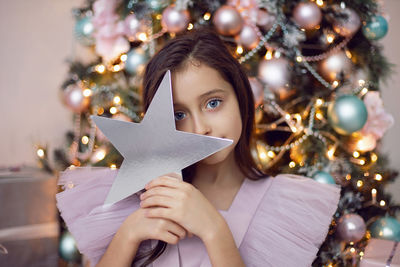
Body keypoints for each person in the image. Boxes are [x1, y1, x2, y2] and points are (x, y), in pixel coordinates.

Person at [56, 29, 340, 267]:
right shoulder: (137, 199)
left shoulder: (281, 208)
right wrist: (128, 234)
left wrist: (213, 229)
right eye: (179, 114)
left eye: (213, 103)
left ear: (240, 97)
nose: (200, 128)